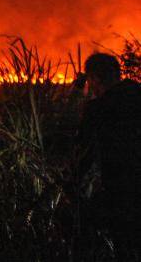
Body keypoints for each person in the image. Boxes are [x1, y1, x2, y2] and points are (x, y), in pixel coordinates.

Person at [76, 53, 141, 257]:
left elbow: (82, 150)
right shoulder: (137, 93)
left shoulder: (97, 109)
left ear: (94, 78)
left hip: (120, 189)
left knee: (123, 242)